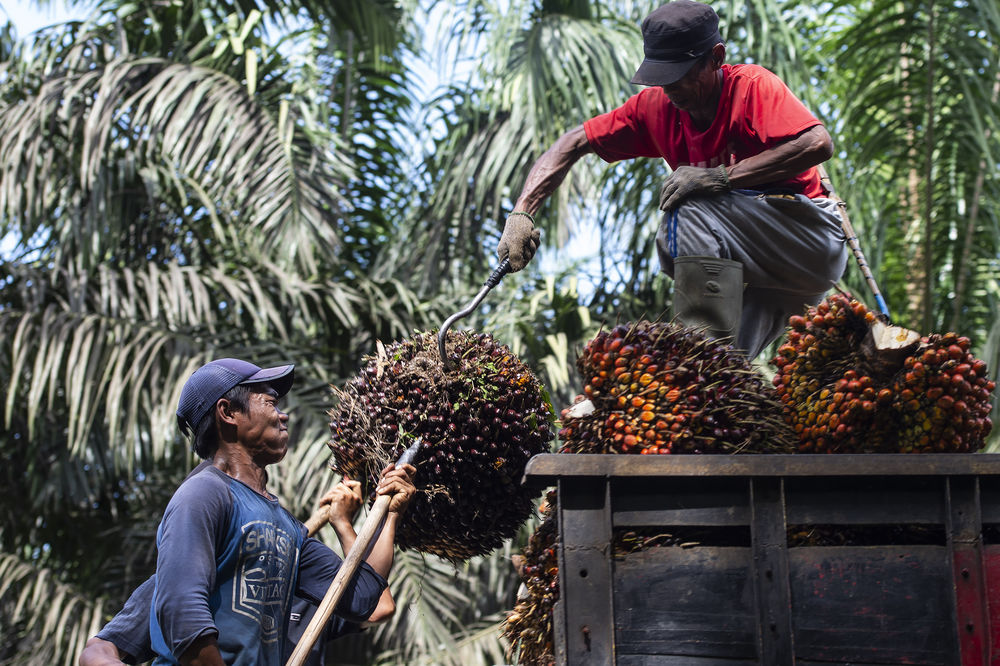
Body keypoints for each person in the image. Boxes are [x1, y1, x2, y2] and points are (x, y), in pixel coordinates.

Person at [496, 0, 848, 358]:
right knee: (718, 373)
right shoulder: (655, 109)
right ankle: (704, 367)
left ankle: (696, 346)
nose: (670, 87)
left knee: (688, 207)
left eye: (680, 73)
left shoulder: (752, 87)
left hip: (809, 239)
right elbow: (573, 143)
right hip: (772, 275)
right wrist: (522, 213)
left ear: (716, 57)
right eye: (661, 76)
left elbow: (817, 143)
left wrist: (720, 177)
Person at [148, 358, 415, 665]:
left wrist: (389, 513)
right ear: (228, 412)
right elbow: (182, 614)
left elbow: (364, 595)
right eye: (270, 403)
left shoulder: (286, 526)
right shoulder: (203, 495)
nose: (283, 414)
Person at [78, 477, 391, 665]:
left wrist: (348, 523)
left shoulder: (308, 594)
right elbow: (98, 650)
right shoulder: (178, 583)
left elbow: (376, 603)